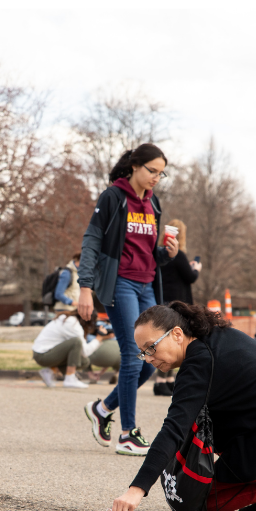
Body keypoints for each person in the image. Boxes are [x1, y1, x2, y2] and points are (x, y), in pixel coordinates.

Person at [106, 300, 256, 511]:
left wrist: (136, 490)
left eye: (151, 347)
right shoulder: (218, 336)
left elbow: (173, 429)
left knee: (193, 504)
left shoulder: (199, 362)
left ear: (176, 334)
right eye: (143, 353)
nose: (149, 358)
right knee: (202, 427)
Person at [77, 143, 169, 455]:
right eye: (151, 170)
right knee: (132, 354)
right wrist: (85, 287)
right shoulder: (114, 197)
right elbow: (92, 240)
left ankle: (103, 409)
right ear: (134, 166)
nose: (156, 177)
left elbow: (149, 252)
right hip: (121, 285)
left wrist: (167, 253)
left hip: (146, 286)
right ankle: (128, 433)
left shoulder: (153, 203)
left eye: (161, 173)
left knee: (154, 358)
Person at [150, 222, 201, 395]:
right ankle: (162, 380)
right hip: (178, 302)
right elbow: (190, 276)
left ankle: (167, 380)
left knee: (164, 339)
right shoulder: (178, 255)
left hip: (162, 300)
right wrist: (196, 269)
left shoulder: (159, 254)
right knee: (175, 341)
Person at [31, 310, 111, 387]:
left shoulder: (68, 318)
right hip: (43, 355)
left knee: (84, 362)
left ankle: (50, 371)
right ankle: (70, 378)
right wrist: (99, 338)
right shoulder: (73, 324)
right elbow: (85, 352)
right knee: (76, 342)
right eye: (93, 322)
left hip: (43, 353)